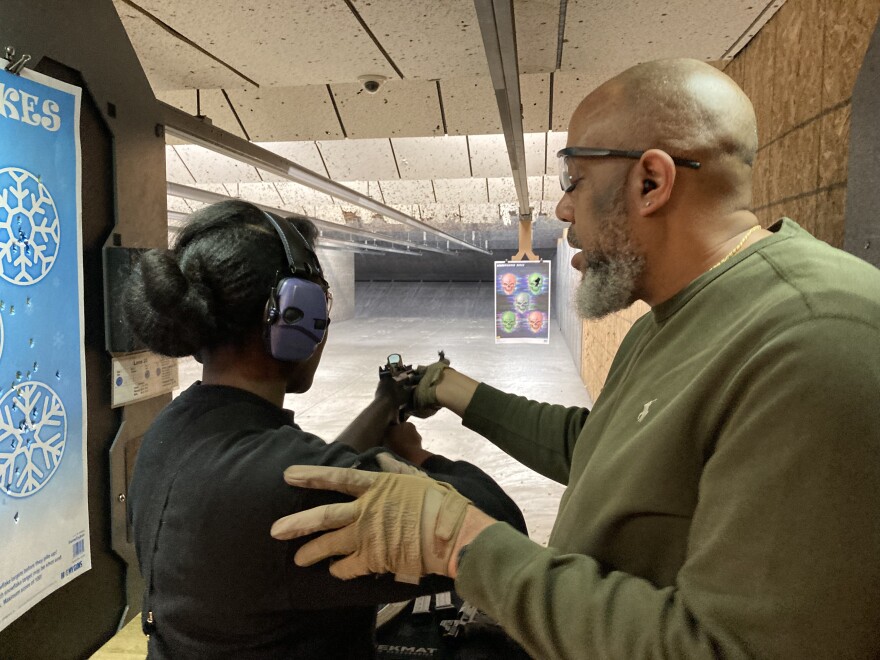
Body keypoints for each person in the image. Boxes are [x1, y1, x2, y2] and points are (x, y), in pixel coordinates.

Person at [270, 58, 880, 658]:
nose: (562, 211)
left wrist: (461, 543)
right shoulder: (671, 318)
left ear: (651, 182)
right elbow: (605, 452)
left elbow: (729, 648)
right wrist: (453, 390)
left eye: (574, 182)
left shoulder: (812, 339)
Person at [122, 200, 526, 658]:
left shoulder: (168, 433)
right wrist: (417, 457)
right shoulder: (290, 484)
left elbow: (295, 476)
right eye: (322, 301)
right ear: (297, 314)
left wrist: (383, 405)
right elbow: (501, 532)